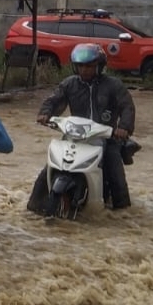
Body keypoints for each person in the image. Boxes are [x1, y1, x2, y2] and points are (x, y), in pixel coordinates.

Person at [35, 42, 137, 212]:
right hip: (74, 135)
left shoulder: (113, 85)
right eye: (81, 66)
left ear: (100, 66)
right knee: (50, 167)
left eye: (90, 66)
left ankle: (122, 213)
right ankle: (34, 207)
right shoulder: (69, 84)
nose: (85, 70)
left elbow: (127, 106)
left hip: (106, 137)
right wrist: (45, 113)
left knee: (115, 171)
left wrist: (124, 127)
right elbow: (54, 100)